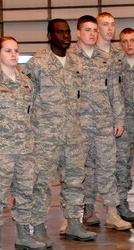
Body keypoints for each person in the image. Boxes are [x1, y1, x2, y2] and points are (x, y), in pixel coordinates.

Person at [25, 19, 97, 243]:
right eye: (59, 32)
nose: (65, 36)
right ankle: (38, 228)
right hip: (46, 136)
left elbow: (83, 98)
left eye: (67, 32)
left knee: (76, 180)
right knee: (42, 184)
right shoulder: (38, 63)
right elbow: (26, 100)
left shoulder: (77, 63)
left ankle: (74, 223)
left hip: (73, 135)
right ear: (49, 36)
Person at [0, 36, 46, 250]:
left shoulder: (26, 83)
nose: (13, 55)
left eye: (16, 51)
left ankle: (23, 236)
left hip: (25, 150)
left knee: (25, 193)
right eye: (8, 51)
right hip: (0, 151)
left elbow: (32, 115)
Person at [73, 15, 131, 231]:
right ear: (78, 32)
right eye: (87, 30)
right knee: (78, 171)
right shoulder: (69, 59)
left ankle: (112, 213)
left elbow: (114, 91)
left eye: (94, 30)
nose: (92, 33)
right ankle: (79, 213)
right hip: (79, 125)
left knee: (108, 168)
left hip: (104, 124)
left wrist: (119, 118)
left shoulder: (105, 59)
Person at [113, 28, 134, 221]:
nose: (129, 45)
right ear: (120, 43)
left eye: (132, 40)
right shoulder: (116, 65)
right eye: (124, 41)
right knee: (122, 163)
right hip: (123, 121)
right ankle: (122, 204)